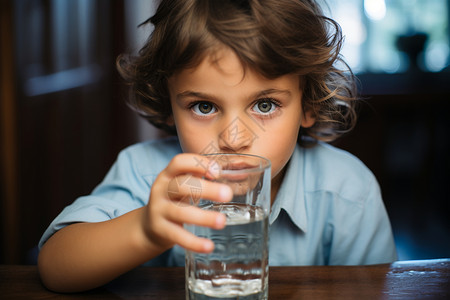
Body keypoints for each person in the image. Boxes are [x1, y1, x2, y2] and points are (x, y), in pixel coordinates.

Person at [38, 0, 397, 293]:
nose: (234, 138)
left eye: (265, 105)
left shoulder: (348, 189)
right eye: (204, 107)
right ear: (169, 108)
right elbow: (55, 268)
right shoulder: (144, 171)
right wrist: (146, 228)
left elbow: (377, 290)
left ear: (308, 106)